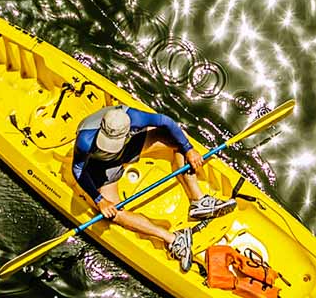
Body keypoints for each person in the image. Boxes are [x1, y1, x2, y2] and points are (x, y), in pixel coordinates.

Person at [72, 104, 236, 273]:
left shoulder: (134, 117)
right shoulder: (85, 140)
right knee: (114, 213)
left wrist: (189, 149)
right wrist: (100, 200)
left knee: (179, 139)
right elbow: (77, 170)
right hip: (101, 168)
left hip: (128, 148)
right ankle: (174, 239)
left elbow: (166, 121)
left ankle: (199, 202)